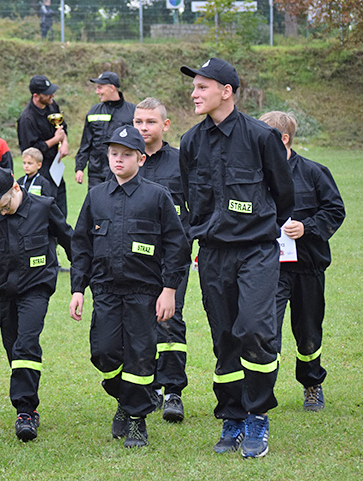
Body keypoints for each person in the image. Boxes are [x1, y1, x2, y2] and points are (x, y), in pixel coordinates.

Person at [179, 57, 294, 458]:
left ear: (226, 91)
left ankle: (257, 415)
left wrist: (256, 229)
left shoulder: (262, 137)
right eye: (194, 87)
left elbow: (284, 195)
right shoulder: (191, 142)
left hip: (256, 251)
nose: (194, 93)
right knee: (225, 337)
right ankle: (232, 416)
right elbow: (190, 200)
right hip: (213, 254)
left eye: (202, 87)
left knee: (256, 330)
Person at [69, 125, 190, 449]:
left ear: (141, 159)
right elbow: (81, 246)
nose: (118, 159)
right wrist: (78, 289)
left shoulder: (157, 196)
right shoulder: (96, 197)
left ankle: (136, 418)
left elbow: (176, 245)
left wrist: (169, 289)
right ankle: (125, 397)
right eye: (113, 154)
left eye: (126, 154)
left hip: (144, 292)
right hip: (105, 290)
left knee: (139, 356)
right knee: (104, 353)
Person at [0, 165, 73, 442]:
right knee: (13, 348)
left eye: (3, 205)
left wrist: (84, 280)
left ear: (15, 187)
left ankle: (25, 411)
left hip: (36, 287)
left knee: (26, 343)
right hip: (4, 291)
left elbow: (70, 240)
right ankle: (30, 402)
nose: (0, 211)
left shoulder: (44, 207)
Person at [260, 111, 345, 412]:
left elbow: (335, 210)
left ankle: (312, 384)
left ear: (284, 139)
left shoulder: (314, 172)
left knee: (308, 333)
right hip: (269, 268)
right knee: (266, 331)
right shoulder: (256, 175)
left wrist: (306, 228)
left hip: (308, 267)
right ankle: (261, 393)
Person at [133, 98, 191, 422]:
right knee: (142, 321)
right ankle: (150, 387)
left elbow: (197, 207)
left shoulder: (182, 162)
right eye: (139, 122)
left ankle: (172, 391)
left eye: (150, 122)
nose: (144, 128)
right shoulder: (127, 160)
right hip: (136, 260)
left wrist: (190, 243)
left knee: (170, 318)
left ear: (165, 125)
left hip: (172, 257)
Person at [17, 75, 69, 218]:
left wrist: (64, 142)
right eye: (47, 93)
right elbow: (31, 150)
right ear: (36, 96)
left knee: (61, 206)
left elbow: (62, 127)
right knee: (47, 208)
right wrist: (55, 140)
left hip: (56, 165)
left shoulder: (52, 106)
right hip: (40, 168)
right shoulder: (27, 118)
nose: (52, 95)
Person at [75, 71, 136, 189]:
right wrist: (79, 168)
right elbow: (86, 143)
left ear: (112, 88)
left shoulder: (132, 112)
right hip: (96, 173)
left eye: (100, 88)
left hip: (121, 172)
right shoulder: (93, 111)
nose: (97, 92)